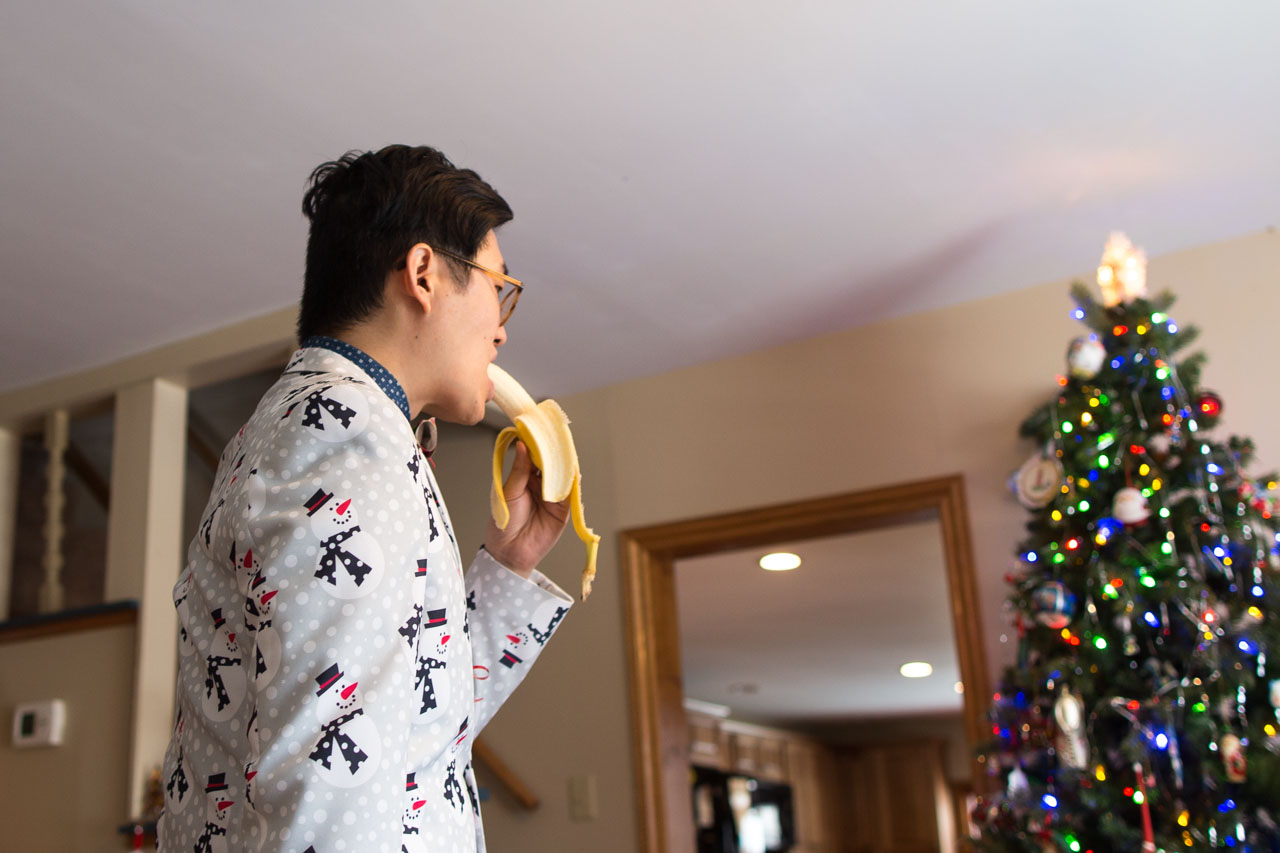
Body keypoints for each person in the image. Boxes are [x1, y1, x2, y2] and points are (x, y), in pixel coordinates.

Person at [158, 145, 574, 853]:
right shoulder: (349, 443)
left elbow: (399, 728)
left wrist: (508, 564)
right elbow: (327, 787)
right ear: (424, 274)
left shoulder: (323, 428)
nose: (503, 327)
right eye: (498, 287)